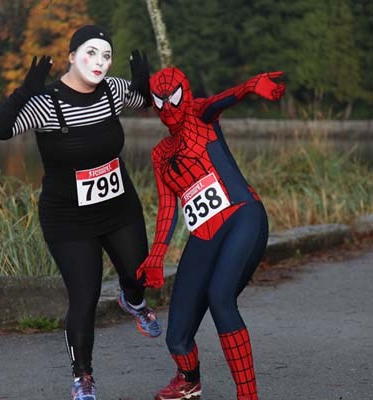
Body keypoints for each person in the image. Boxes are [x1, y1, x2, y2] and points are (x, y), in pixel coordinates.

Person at [0, 25, 162, 400]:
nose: (100, 63)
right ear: (70, 56)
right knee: (84, 296)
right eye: (91, 53)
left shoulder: (112, 91)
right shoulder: (46, 105)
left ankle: (133, 300)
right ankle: (83, 376)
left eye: (106, 55)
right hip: (69, 219)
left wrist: (143, 85)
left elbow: (143, 102)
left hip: (119, 207)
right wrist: (23, 92)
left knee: (138, 274)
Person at [136, 67, 285, 400]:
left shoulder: (199, 114)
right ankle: (189, 380)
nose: (168, 108)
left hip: (242, 216)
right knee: (176, 337)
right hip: (204, 233)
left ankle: (248, 396)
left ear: (185, 95)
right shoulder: (160, 154)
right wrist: (155, 257)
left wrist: (249, 86)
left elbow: (222, 100)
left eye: (173, 98)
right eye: (159, 102)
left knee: (220, 297)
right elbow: (168, 208)